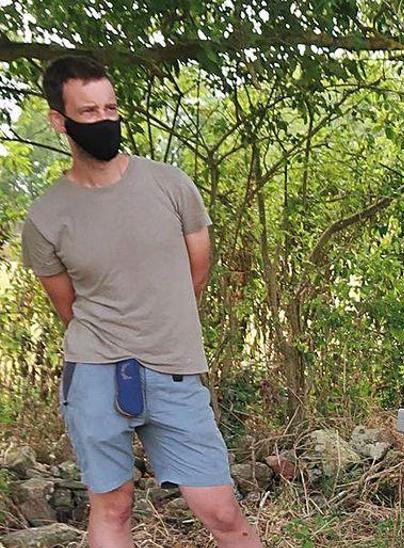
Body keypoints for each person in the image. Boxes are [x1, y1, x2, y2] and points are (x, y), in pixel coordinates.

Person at [21, 56, 262, 548]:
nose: (105, 119)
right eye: (88, 112)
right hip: (93, 373)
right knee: (113, 508)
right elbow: (67, 306)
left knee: (220, 510)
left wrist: (160, 321)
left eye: (110, 107)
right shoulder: (46, 216)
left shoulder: (169, 184)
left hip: (174, 368)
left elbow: (197, 270)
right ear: (58, 120)